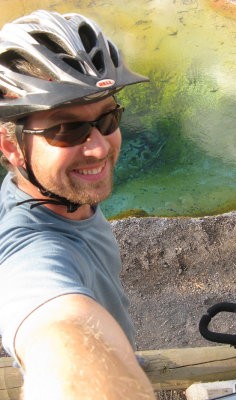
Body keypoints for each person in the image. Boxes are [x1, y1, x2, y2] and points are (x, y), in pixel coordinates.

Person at [0, 9, 155, 400]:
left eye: (108, 118)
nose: (100, 147)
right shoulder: (26, 248)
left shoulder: (60, 193)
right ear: (9, 147)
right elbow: (58, 328)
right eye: (66, 130)